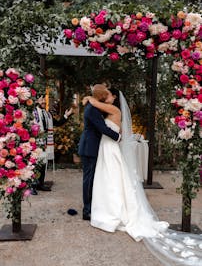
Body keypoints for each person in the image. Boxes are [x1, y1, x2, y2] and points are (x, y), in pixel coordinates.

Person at [83, 89, 202, 266]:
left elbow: (97, 108)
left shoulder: (113, 110)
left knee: (111, 179)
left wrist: (90, 98)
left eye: (112, 95)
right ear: (105, 97)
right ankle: (100, 205)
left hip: (109, 149)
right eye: (109, 95)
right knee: (107, 179)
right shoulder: (106, 108)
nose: (111, 97)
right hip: (106, 149)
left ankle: (110, 209)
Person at [78, 84, 121, 221]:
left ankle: (92, 206)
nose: (107, 95)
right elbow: (102, 128)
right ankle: (87, 210)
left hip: (91, 146)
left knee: (91, 179)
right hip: (89, 147)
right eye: (106, 93)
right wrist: (118, 137)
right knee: (88, 179)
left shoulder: (94, 107)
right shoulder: (92, 110)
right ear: (101, 95)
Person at [32, 96, 73, 194]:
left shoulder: (47, 114)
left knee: (43, 163)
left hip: (46, 142)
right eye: (41, 99)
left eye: (44, 100)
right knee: (34, 164)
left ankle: (40, 184)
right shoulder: (32, 113)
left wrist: (66, 115)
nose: (43, 101)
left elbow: (58, 123)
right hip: (35, 142)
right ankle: (32, 185)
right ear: (36, 100)